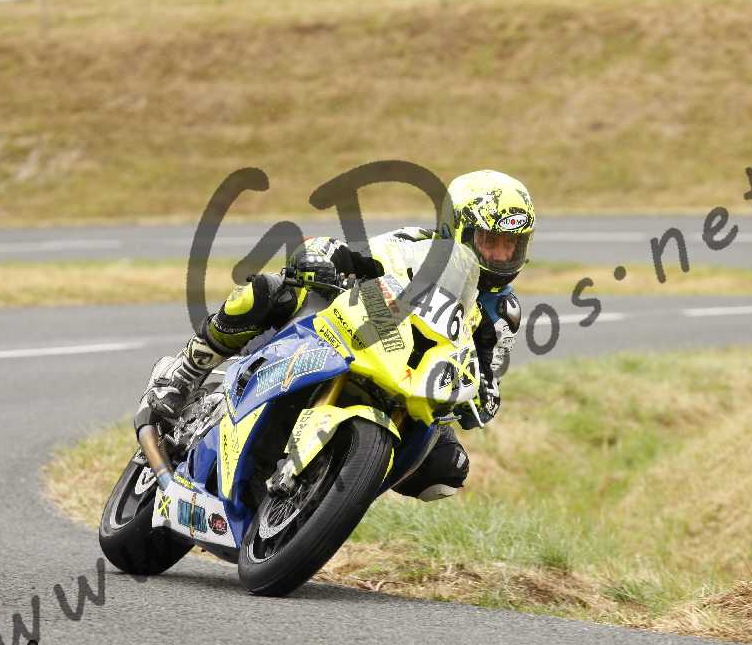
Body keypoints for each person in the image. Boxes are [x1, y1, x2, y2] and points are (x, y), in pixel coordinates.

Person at [134, 169, 535, 501]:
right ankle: (186, 371)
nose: (501, 256)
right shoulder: (415, 245)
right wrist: (324, 258)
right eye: (491, 242)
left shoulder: (504, 314)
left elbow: (488, 383)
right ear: (457, 228)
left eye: (511, 246)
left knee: (446, 470)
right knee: (269, 290)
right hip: (367, 336)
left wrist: (479, 396)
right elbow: (351, 253)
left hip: (415, 386)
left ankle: (335, 491)